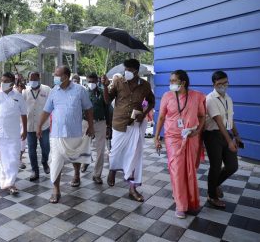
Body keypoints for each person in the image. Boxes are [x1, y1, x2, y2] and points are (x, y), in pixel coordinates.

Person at [37, 65, 95, 203]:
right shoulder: (53, 91)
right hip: (56, 134)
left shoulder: (80, 90)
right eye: (55, 74)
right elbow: (46, 110)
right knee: (56, 161)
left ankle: (76, 175)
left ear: (67, 76)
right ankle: (56, 190)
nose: (55, 77)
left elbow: (89, 109)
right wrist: (39, 125)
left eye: (58, 75)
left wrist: (91, 126)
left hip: (74, 132)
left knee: (75, 156)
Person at [101, 58, 155, 202]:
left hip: (135, 125)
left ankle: (132, 188)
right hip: (119, 124)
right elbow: (107, 100)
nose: (127, 73)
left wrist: (144, 113)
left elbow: (152, 101)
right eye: (126, 70)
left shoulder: (145, 85)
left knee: (134, 156)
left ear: (136, 71)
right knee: (115, 153)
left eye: (130, 70)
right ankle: (113, 169)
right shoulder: (118, 82)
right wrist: (105, 86)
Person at [154, 70, 206, 218]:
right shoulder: (167, 96)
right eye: (170, 81)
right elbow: (162, 117)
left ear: (183, 82)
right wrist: (156, 136)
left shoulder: (196, 96)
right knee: (177, 169)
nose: (170, 83)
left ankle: (188, 200)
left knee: (190, 170)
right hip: (172, 138)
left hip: (191, 137)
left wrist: (196, 132)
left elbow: (202, 116)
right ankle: (181, 205)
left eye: (173, 81)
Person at [204, 71, 241, 208]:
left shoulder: (228, 99)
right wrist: (230, 141)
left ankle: (215, 184)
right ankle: (211, 196)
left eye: (225, 83)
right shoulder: (210, 99)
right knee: (216, 166)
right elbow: (219, 122)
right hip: (212, 135)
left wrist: (236, 135)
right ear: (214, 84)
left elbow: (229, 119)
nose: (223, 86)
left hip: (226, 134)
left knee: (232, 166)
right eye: (219, 84)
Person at [81, 72, 111, 184]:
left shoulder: (102, 92)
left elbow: (107, 105)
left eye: (93, 82)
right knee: (83, 146)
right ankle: (84, 162)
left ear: (97, 81)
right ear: (86, 81)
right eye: (89, 81)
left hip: (100, 122)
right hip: (86, 122)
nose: (91, 83)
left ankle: (97, 174)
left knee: (100, 149)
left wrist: (108, 125)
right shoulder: (83, 92)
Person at [22, 71, 51, 181]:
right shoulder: (25, 91)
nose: (32, 81)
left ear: (39, 78)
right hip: (30, 126)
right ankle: (35, 170)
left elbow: (52, 104)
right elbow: (19, 104)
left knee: (46, 148)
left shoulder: (47, 90)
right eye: (31, 79)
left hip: (44, 126)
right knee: (31, 150)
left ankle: (44, 162)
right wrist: (20, 89)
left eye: (35, 79)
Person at [14, 73, 27, 170]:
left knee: (22, 142)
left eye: (19, 78)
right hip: (13, 120)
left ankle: (19, 159)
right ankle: (15, 159)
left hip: (23, 120)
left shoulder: (26, 89)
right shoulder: (11, 90)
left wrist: (21, 89)